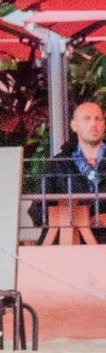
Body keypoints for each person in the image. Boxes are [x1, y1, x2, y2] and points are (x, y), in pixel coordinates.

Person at [38, 91, 106, 242]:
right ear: (74, 126)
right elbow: (38, 209)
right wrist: (73, 221)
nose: (93, 124)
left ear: (104, 124)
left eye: (98, 119)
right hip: (71, 243)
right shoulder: (58, 164)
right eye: (87, 119)